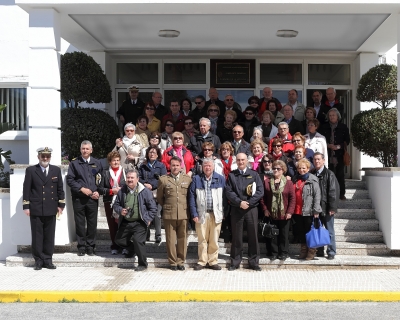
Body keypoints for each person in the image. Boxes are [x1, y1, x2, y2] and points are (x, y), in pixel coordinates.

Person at [22, 147, 65, 270]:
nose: (45, 158)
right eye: (43, 156)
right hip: (36, 207)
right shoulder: (31, 170)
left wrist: (61, 205)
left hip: (51, 208)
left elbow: (60, 189)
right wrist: (26, 206)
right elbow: (26, 189)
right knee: (37, 236)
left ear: (50, 157)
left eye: (47, 156)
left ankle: (48, 259)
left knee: (49, 235)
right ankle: (38, 260)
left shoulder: (56, 170)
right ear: (38, 157)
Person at [225, 153, 264, 271]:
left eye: (243, 160)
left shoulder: (254, 174)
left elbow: (260, 191)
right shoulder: (232, 175)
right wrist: (239, 202)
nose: (241, 162)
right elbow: (229, 191)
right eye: (238, 160)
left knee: (253, 235)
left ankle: (254, 262)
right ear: (236, 161)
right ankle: (235, 261)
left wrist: (249, 203)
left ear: (247, 161)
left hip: (251, 209)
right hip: (237, 209)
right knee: (237, 236)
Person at [113, 169, 157, 271]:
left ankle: (142, 264)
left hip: (140, 222)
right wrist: (120, 210)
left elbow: (153, 208)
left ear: (137, 179)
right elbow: (116, 204)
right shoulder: (122, 191)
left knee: (138, 241)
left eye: (132, 178)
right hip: (126, 221)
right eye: (128, 178)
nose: (130, 180)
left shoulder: (145, 191)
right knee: (119, 240)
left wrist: (149, 219)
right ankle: (132, 249)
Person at [66, 140, 103, 256]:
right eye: (83, 149)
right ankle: (81, 246)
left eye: (87, 149)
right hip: (79, 198)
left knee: (92, 223)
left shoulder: (97, 163)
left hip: (92, 199)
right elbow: (70, 180)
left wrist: (98, 191)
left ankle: (91, 246)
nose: (85, 151)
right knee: (80, 223)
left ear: (91, 150)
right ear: (80, 150)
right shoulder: (74, 164)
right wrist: (82, 188)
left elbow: (101, 179)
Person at [189, 159, 225, 271]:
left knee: (214, 239)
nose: (207, 168)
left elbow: (226, 197)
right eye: (205, 166)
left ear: (213, 167)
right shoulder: (196, 179)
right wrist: (194, 213)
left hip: (216, 214)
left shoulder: (221, 178)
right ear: (202, 167)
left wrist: (224, 212)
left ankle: (213, 261)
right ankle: (202, 261)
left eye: (209, 165)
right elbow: (191, 198)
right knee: (202, 239)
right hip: (201, 214)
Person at [157, 156, 192, 270]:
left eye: (177, 165)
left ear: (181, 166)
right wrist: (167, 206)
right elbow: (160, 197)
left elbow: (190, 197)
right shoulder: (163, 179)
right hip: (169, 213)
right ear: (169, 166)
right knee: (170, 239)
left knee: (182, 239)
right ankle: (172, 262)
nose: (175, 167)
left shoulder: (187, 179)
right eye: (173, 165)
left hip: (184, 213)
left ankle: (181, 261)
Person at [260, 160, 295, 261]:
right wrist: (265, 209)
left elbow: (292, 198)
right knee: (272, 234)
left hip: (284, 214)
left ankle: (283, 252)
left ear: (283, 170)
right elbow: (263, 197)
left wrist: (289, 212)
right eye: (274, 168)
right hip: (271, 213)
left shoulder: (288, 183)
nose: (275, 170)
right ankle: (273, 252)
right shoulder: (267, 182)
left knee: (284, 234)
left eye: (278, 168)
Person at [292, 158, 322, 260]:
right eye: (299, 168)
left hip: (309, 210)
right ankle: (303, 250)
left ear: (308, 168)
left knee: (309, 231)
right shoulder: (296, 179)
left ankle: (312, 250)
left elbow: (317, 195)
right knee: (301, 231)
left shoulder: (313, 179)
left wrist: (316, 210)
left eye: (304, 168)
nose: (301, 170)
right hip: (297, 210)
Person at [97, 151, 126, 255]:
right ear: (109, 162)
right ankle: (114, 245)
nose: (116, 162)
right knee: (112, 224)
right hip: (109, 201)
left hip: (123, 201)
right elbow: (100, 189)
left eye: (118, 160)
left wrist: (120, 190)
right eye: (114, 160)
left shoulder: (125, 171)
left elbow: (130, 185)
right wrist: (111, 191)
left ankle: (123, 246)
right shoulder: (105, 173)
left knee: (122, 224)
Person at [319, 108, 350, 200]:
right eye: (330, 115)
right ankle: (329, 195)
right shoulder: (323, 127)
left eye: (334, 115)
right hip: (327, 154)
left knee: (340, 174)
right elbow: (321, 139)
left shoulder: (343, 127)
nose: (332, 117)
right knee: (329, 174)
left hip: (339, 154)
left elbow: (347, 140)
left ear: (338, 116)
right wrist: (328, 145)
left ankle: (341, 194)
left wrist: (338, 147)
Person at [313, 152, 339, 260]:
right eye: (315, 159)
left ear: (323, 160)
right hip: (316, 209)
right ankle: (319, 250)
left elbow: (333, 191)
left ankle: (331, 251)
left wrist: (332, 207)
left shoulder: (329, 174)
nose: (317, 161)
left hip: (327, 208)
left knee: (329, 231)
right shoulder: (312, 174)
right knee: (318, 230)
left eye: (319, 159)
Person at [138, 146, 167, 244]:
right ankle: (146, 234)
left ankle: (158, 235)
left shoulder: (161, 166)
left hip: (157, 193)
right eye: (150, 152)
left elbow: (163, 179)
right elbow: (138, 178)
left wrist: (153, 185)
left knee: (157, 215)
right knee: (145, 213)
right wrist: (145, 184)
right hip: (145, 193)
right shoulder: (143, 166)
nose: (152, 154)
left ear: (158, 154)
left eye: (154, 152)